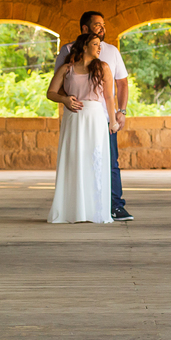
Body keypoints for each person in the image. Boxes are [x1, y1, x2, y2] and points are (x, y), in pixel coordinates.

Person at [56, 11, 133, 222]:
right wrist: (68, 100)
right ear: (84, 29)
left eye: (104, 24)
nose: (102, 28)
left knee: (109, 161)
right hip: (78, 118)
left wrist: (121, 111)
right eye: (97, 25)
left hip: (103, 117)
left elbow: (121, 84)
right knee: (78, 161)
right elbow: (60, 83)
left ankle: (115, 206)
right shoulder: (67, 51)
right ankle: (79, 206)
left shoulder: (111, 51)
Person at [46, 32, 119, 224]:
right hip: (74, 118)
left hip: (95, 118)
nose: (99, 47)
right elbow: (51, 93)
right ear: (84, 46)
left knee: (94, 161)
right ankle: (73, 211)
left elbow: (109, 97)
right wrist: (64, 99)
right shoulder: (66, 69)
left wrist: (113, 121)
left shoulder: (103, 67)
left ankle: (95, 211)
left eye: (99, 44)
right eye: (95, 44)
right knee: (74, 161)